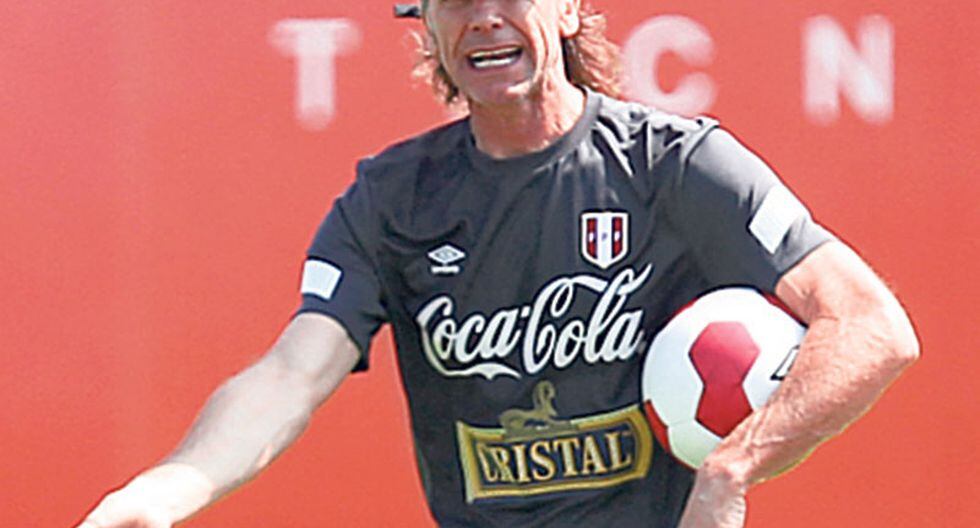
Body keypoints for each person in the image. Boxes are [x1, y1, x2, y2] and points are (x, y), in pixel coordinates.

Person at [78, 0, 919, 526]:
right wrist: (166, 492)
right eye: (454, 0)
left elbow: (872, 327)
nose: (482, 17)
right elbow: (292, 373)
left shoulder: (675, 167)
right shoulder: (391, 200)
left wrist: (734, 468)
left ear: (568, 10)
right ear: (427, 26)